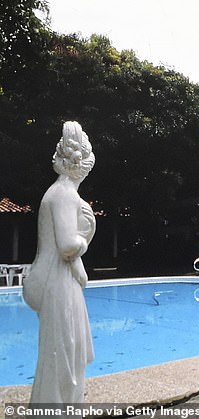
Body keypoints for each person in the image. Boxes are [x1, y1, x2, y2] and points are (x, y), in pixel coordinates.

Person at [23, 121, 96, 404]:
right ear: (83, 163)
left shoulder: (58, 193)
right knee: (63, 354)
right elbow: (68, 245)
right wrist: (85, 237)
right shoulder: (65, 194)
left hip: (58, 280)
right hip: (59, 282)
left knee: (62, 353)